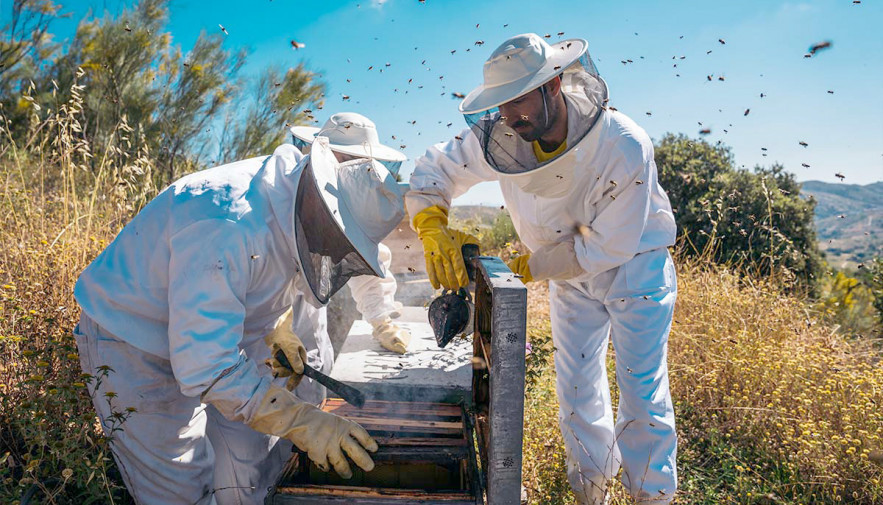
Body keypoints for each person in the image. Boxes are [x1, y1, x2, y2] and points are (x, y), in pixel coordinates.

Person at [406, 33, 679, 505]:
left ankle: (651, 497)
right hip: (564, 275)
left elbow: (608, 245)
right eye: (501, 106)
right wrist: (431, 224)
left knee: (640, 386)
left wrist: (526, 266)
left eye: (517, 102)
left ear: (553, 86)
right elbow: (436, 167)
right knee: (575, 385)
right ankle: (592, 490)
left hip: (634, 268)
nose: (509, 117)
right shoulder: (503, 134)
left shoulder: (622, 143)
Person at [73, 135, 405, 504]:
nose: (335, 250)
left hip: (205, 337)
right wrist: (301, 420)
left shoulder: (287, 203)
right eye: (338, 238)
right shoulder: (228, 223)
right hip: (133, 341)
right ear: (320, 205)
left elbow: (249, 282)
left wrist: (277, 327)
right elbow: (205, 365)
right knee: (181, 488)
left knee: (252, 467)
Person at [290, 112, 411, 354]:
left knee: (310, 370)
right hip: (249, 335)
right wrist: (275, 326)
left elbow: (360, 258)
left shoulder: (345, 203)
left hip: (310, 329)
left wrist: (381, 320)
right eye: (349, 160)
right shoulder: (283, 192)